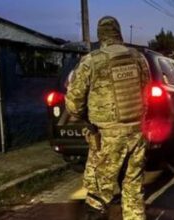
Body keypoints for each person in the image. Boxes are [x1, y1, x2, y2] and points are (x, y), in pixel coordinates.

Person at [65, 16, 150, 220]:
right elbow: (146, 88)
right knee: (133, 191)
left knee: (98, 194)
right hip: (137, 133)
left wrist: (82, 117)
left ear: (100, 35)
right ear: (118, 32)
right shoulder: (138, 57)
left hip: (107, 138)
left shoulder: (92, 60)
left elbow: (74, 103)